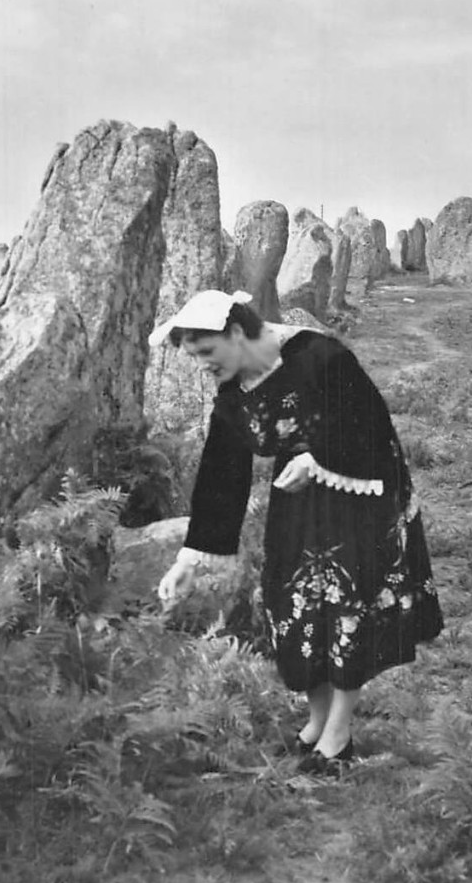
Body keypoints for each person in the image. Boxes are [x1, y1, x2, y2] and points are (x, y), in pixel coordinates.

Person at [152, 289, 442, 776]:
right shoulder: (234, 390)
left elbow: (369, 425)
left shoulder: (320, 357)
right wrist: (189, 560)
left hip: (361, 494)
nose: (201, 365)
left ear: (238, 332)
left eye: (206, 352)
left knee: (348, 603)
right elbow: (221, 473)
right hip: (299, 500)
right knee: (293, 602)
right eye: (193, 357)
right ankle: (316, 719)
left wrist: (318, 458)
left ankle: (339, 732)